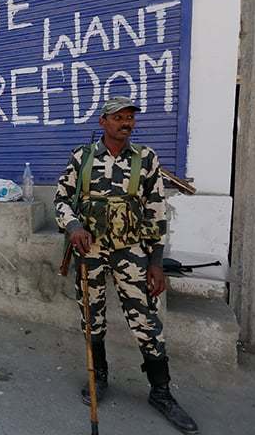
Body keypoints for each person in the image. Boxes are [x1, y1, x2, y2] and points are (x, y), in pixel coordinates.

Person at [54, 96, 199, 434]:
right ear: (103, 122)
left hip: (132, 252)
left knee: (147, 321)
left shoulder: (146, 159)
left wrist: (157, 262)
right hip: (90, 250)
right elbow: (61, 198)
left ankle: (161, 392)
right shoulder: (82, 157)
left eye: (130, 118)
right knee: (92, 318)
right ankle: (99, 376)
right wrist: (73, 225)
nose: (126, 123)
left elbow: (156, 212)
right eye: (118, 117)